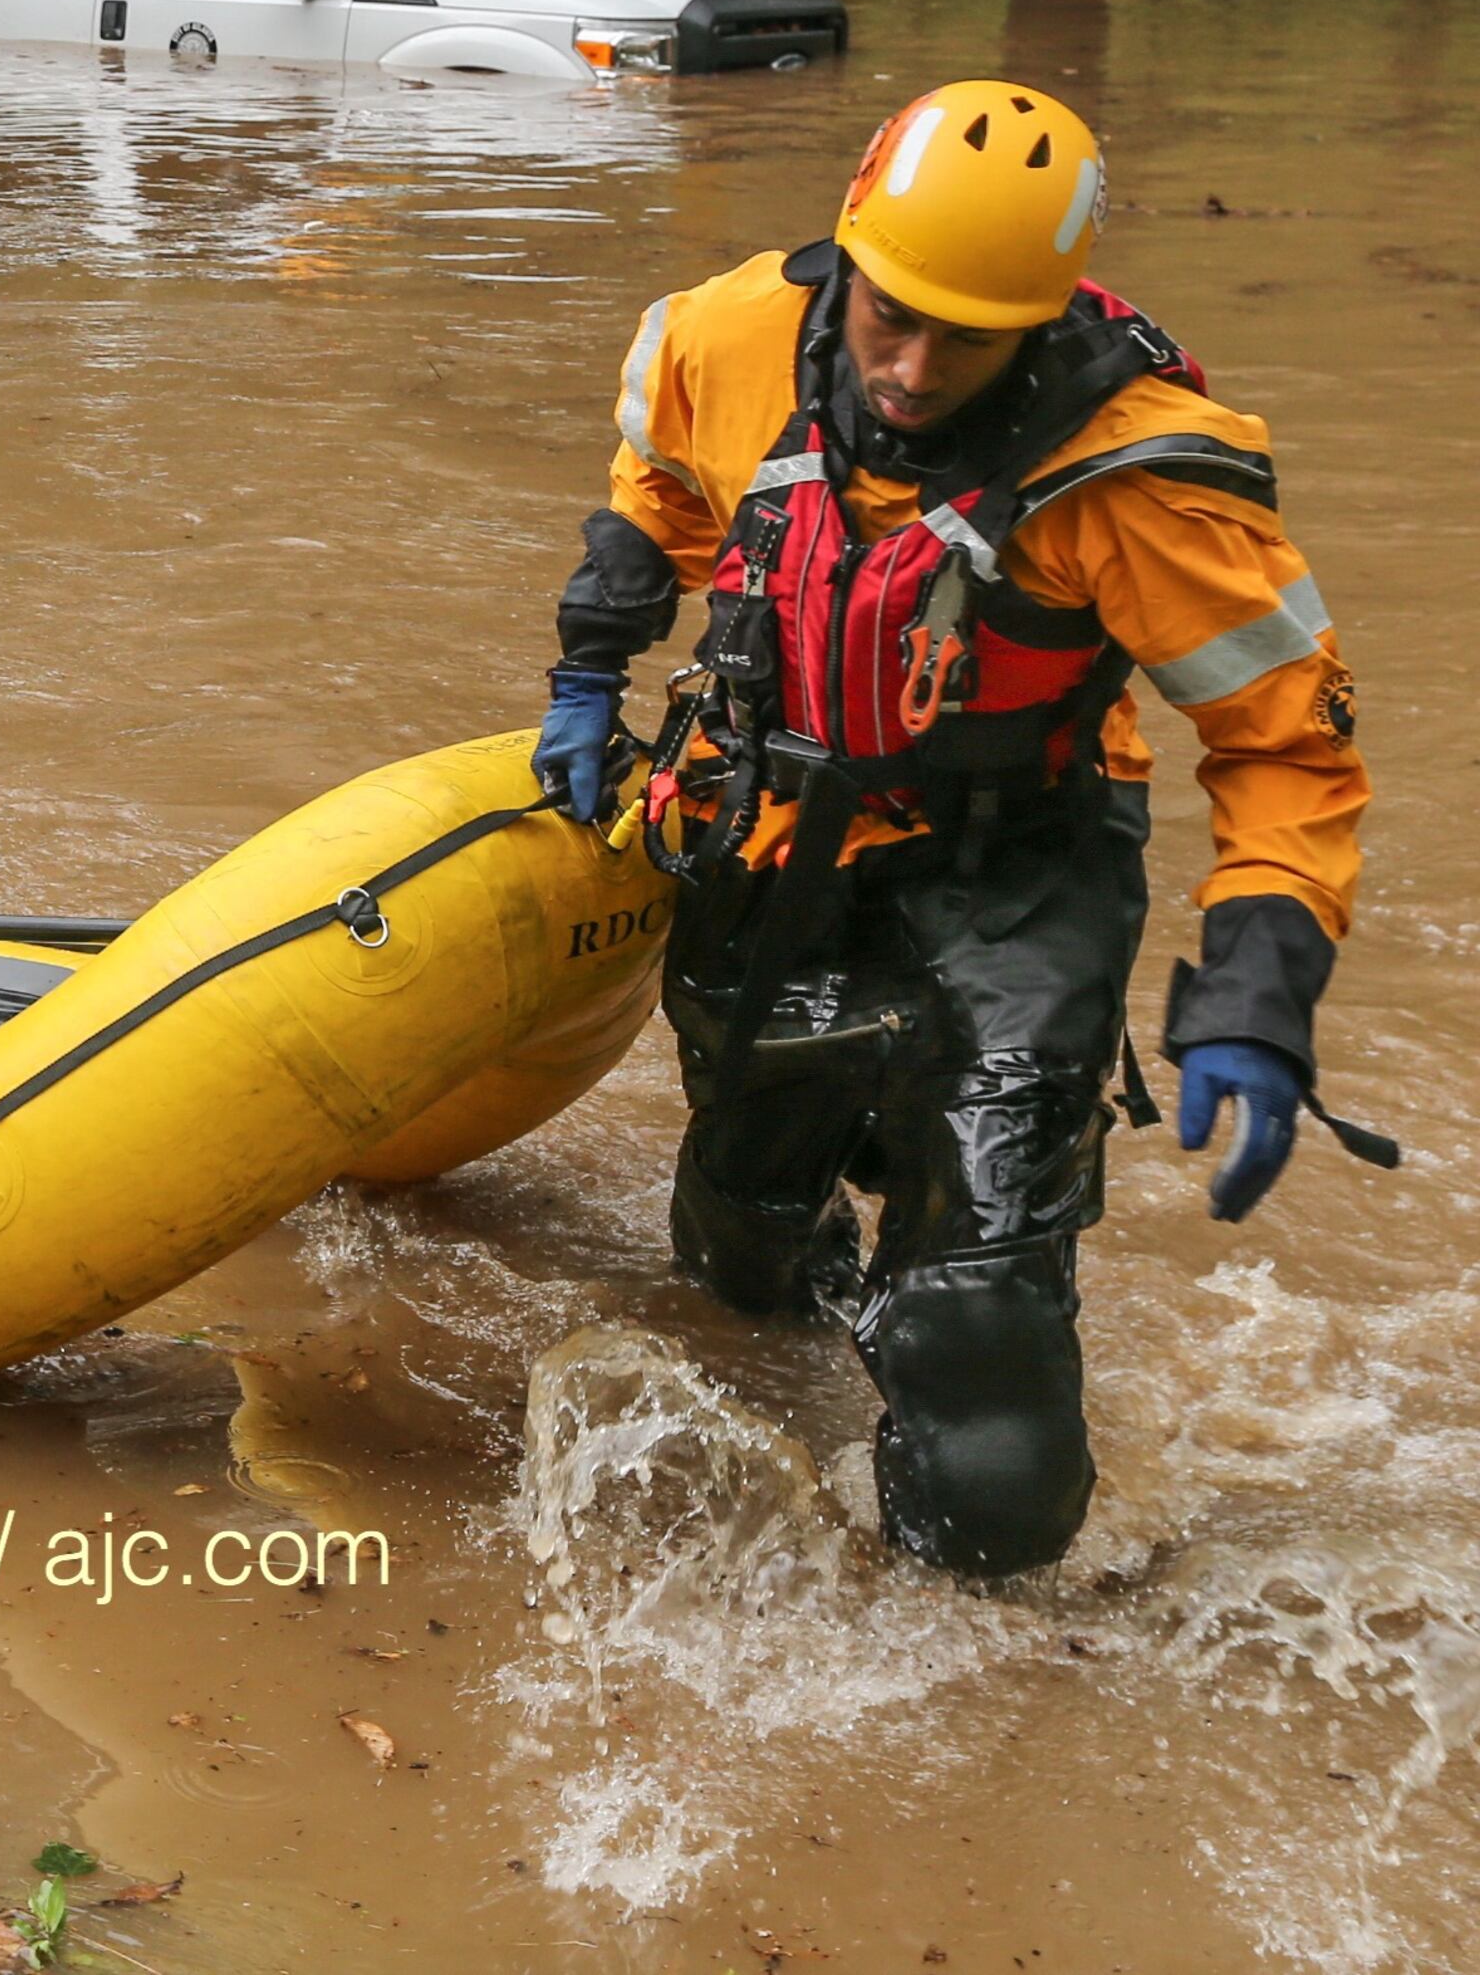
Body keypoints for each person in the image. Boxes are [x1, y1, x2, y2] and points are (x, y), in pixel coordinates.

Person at [530, 79, 1382, 1579]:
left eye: (967, 338)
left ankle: (983, 1644)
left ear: (1043, 321)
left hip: (1017, 865)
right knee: (739, 1252)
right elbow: (658, 483)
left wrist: (1257, 993)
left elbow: (1284, 748)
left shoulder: (1140, 477)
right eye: (888, 318)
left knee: (981, 1368)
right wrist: (593, 666)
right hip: (775, 830)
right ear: (848, 256)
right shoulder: (730, 334)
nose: (914, 369)